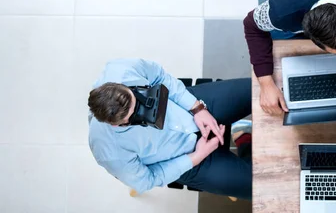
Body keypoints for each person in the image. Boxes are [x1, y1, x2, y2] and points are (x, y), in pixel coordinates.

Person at [87, 58, 252, 199]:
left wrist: (197, 108)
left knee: (257, 91)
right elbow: (147, 180)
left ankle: (241, 134)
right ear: (116, 124)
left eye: (137, 96)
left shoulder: (120, 69)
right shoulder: (110, 153)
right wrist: (197, 156)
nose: (143, 105)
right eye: (136, 112)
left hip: (187, 107)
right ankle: (244, 140)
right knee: (257, 185)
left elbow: (159, 75)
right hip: (187, 160)